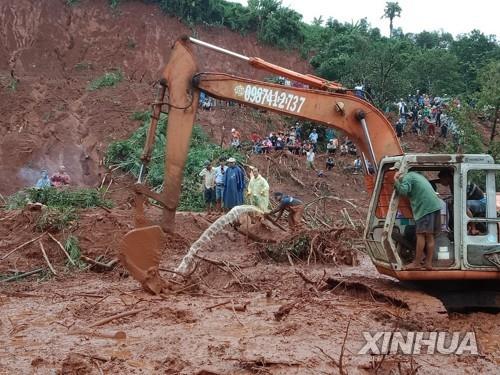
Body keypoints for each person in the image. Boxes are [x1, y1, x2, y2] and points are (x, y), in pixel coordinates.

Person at [393, 165, 442, 270]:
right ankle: (428, 263)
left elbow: (403, 191)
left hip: (425, 208)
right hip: (434, 207)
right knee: (429, 236)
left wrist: (395, 180)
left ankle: (416, 263)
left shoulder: (408, 176)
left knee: (420, 235)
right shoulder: (418, 176)